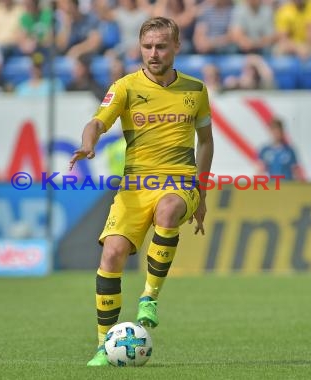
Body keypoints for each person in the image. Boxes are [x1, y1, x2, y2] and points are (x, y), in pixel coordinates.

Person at [69, 16, 214, 367]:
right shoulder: (125, 87)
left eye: (161, 46)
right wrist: (88, 145)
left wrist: (202, 193)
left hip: (179, 180)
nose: (153, 53)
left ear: (176, 47)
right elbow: (96, 123)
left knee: (167, 210)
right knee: (112, 255)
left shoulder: (195, 91)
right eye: (147, 46)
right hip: (135, 186)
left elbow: (206, 142)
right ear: (139, 48)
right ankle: (105, 344)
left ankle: (149, 298)